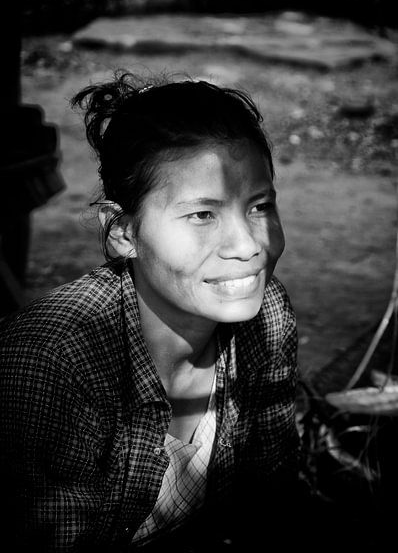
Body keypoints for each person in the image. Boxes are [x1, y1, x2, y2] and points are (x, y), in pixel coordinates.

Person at [0, 71, 302, 552]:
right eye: (202, 215)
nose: (249, 246)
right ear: (122, 231)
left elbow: (271, 500)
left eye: (259, 206)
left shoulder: (266, 315)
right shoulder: (54, 360)